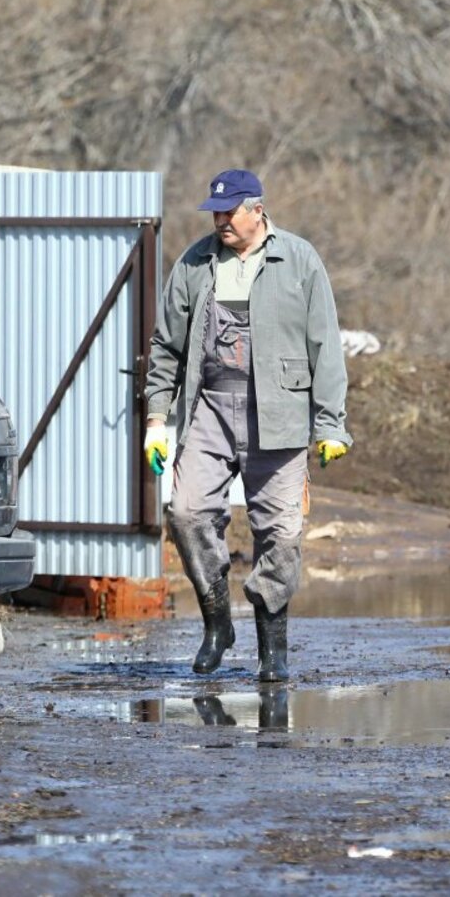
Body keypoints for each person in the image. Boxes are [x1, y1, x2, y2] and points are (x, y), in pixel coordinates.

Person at [143, 169, 352, 682]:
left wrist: (331, 426)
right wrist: (155, 418)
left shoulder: (298, 260)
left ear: (257, 209)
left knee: (279, 533)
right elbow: (166, 345)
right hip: (210, 407)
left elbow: (325, 346)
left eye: (230, 211)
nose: (220, 221)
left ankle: (272, 645)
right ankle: (217, 622)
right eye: (215, 212)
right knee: (187, 512)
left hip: (279, 412)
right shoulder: (194, 263)